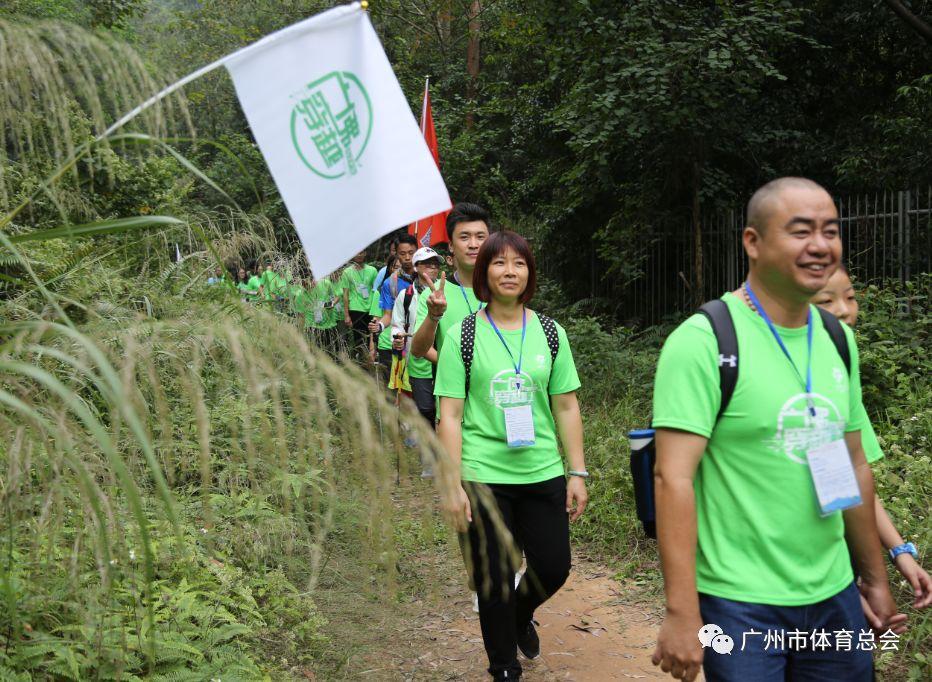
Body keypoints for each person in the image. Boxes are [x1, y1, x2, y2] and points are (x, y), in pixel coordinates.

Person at [651, 177, 901, 682]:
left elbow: (852, 463)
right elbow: (672, 478)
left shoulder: (836, 339)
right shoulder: (702, 341)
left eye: (830, 231)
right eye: (801, 230)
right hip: (737, 602)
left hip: (833, 596)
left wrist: (874, 577)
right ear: (753, 242)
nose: (820, 245)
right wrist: (682, 611)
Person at [435, 230, 588, 681]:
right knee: (495, 578)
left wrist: (576, 470)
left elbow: (566, 405)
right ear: (484, 273)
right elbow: (450, 415)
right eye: (498, 263)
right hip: (484, 474)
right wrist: (452, 483)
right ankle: (503, 666)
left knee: (554, 567)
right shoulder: (463, 335)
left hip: (542, 471)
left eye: (518, 263)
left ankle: (521, 615)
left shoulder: (549, 333)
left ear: (529, 273)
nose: (509, 271)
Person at [813, 267, 932, 621]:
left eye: (850, 297)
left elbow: (850, 480)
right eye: (826, 300)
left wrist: (900, 552)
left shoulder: (839, 381)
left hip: (833, 568)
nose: (844, 310)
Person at [411, 202, 491, 362]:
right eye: (464, 237)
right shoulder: (434, 295)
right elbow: (418, 350)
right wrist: (433, 315)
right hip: (452, 386)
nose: (474, 244)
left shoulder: (503, 289)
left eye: (480, 237)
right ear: (451, 246)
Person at [370, 235, 418, 381]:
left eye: (411, 253)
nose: (408, 257)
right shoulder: (390, 283)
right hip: (400, 342)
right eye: (403, 254)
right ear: (396, 254)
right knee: (400, 386)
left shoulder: (427, 277)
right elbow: (388, 315)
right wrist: (379, 326)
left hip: (424, 339)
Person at [339, 249, 378, 361]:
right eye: (356, 252)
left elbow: (376, 290)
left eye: (362, 252)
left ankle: (371, 360)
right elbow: (345, 295)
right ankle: (360, 362)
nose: (359, 255)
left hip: (370, 309)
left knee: (371, 336)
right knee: (358, 338)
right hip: (355, 309)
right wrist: (346, 315)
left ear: (365, 253)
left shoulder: (373, 270)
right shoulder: (347, 272)